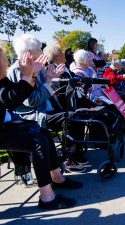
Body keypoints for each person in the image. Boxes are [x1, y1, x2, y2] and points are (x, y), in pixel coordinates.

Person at [0, 48, 81, 210]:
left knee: (43, 133)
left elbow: (19, 93)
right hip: (6, 125)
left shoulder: (2, 79)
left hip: (6, 123)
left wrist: (33, 74)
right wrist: (28, 74)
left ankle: (57, 178)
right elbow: (13, 100)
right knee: (38, 141)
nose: (7, 61)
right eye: (3, 58)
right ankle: (47, 197)